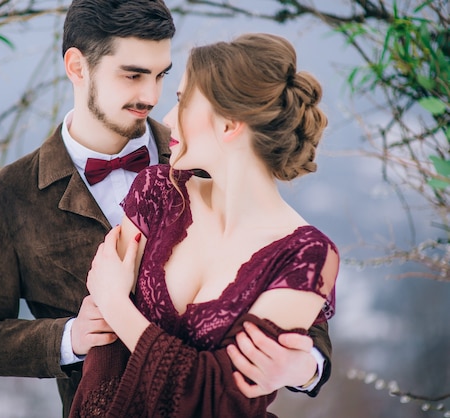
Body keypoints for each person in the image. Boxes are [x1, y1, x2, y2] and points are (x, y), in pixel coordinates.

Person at [0, 1, 332, 416]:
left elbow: (285, 273)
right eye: (132, 74)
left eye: (160, 75)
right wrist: (71, 338)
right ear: (77, 67)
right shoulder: (8, 196)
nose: (150, 95)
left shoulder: (208, 150)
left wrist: (306, 367)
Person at [69, 33, 339, 417]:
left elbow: (222, 401)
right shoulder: (157, 191)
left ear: (229, 124)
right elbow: (104, 350)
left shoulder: (308, 255)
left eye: (181, 101)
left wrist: (117, 304)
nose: (164, 118)